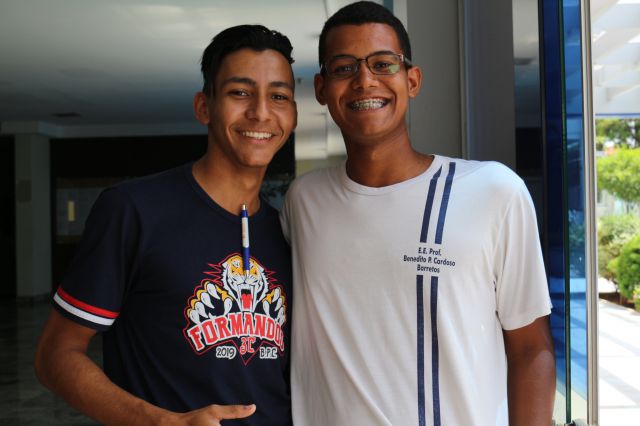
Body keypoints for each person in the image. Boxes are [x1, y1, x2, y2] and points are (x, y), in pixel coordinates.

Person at [280, 2, 555, 425]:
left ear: (412, 80)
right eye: (344, 68)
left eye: (383, 63)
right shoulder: (303, 201)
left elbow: (531, 349)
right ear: (321, 88)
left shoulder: (494, 191)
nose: (364, 80)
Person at [35, 24, 297, 426]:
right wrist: (161, 422)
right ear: (204, 106)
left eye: (278, 96)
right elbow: (55, 355)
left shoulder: (287, 232)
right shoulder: (133, 210)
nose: (261, 112)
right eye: (240, 92)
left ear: (293, 114)